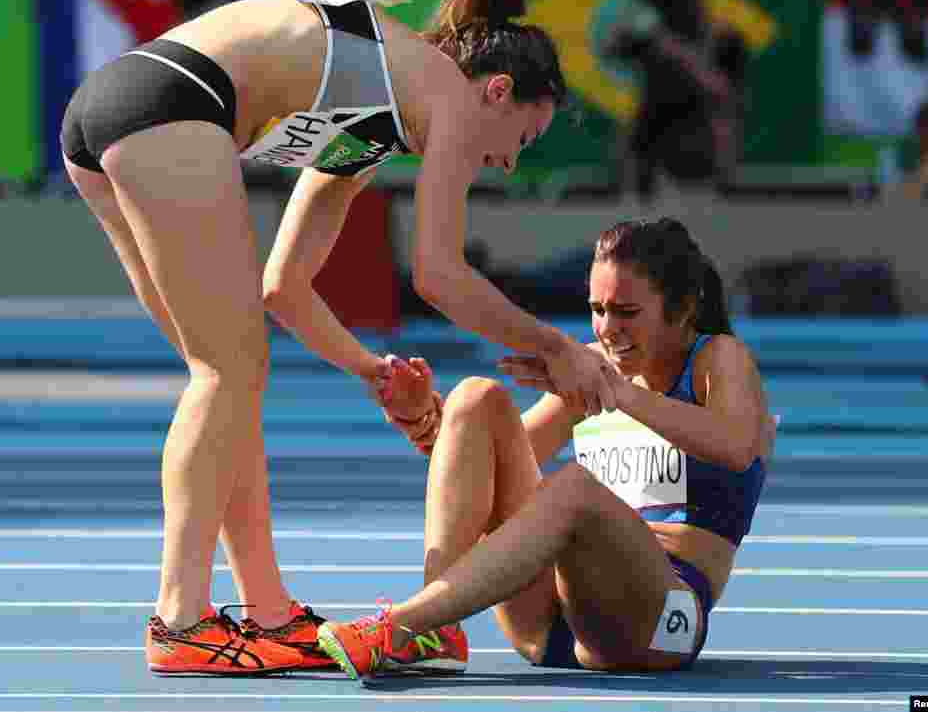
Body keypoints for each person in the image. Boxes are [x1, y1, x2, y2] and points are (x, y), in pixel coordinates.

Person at [60, 0, 618, 676]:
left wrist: (373, 371)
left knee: (229, 383)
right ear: (497, 91)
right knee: (227, 371)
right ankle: (180, 619)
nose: (506, 162)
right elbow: (438, 273)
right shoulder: (447, 92)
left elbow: (284, 285)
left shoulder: (374, 115)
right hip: (170, 102)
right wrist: (556, 347)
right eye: (522, 139)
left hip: (116, 107)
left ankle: (270, 611)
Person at [316, 217, 775, 679]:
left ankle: (404, 624)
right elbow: (485, 471)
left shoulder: (718, 358)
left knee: (575, 486)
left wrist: (620, 393)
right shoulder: (596, 367)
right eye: (598, 309)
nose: (607, 329)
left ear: (682, 307)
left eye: (626, 312)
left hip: (659, 622)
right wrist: (424, 421)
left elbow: (735, 446)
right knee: (476, 397)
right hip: (551, 619)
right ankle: (437, 631)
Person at [594, 0, 748, 199]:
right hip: (663, 69)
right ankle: (634, 177)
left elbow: (699, 31)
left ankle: (722, 175)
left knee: (722, 85)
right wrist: (701, 71)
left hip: (682, 68)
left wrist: (709, 61)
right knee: (660, 97)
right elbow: (656, 38)